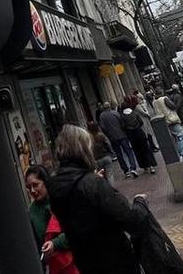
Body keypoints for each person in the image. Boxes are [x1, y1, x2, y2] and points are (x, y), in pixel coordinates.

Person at [48, 125, 147, 274]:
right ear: (82, 149)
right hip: (116, 262)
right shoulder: (92, 184)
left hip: (86, 264)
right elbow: (131, 219)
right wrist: (140, 202)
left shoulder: (55, 187)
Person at [25, 165, 78, 274]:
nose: (32, 190)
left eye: (35, 185)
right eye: (29, 187)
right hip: (56, 267)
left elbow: (75, 229)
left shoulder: (60, 199)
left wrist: (55, 243)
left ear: (45, 182)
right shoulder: (31, 212)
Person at [98, 104, 139, 179]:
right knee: (128, 152)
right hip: (122, 135)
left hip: (112, 138)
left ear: (103, 108)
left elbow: (103, 128)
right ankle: (133, 168)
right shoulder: (115, 113)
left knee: (119, 155)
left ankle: (126, 171)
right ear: (110, 107)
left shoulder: (102, 116)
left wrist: (108, 134)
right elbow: (122, 123)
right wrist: (123, 131)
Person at [153, 90, 183, 163]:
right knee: (180, 136)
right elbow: (173, 106)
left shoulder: (154, 102)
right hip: (172, 119)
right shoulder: (164, 99)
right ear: (161, 93)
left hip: (164, 122)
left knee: (174, 139)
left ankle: (179, 154)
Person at [122, 106, 158, 174]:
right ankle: (151, 166)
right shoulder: (135, 113)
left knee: (138, 152)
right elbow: (141, 122)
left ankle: (145, 167)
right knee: (146, 149)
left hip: (132, 136)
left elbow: (123, 127)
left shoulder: (123, 117)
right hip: (140, 133)